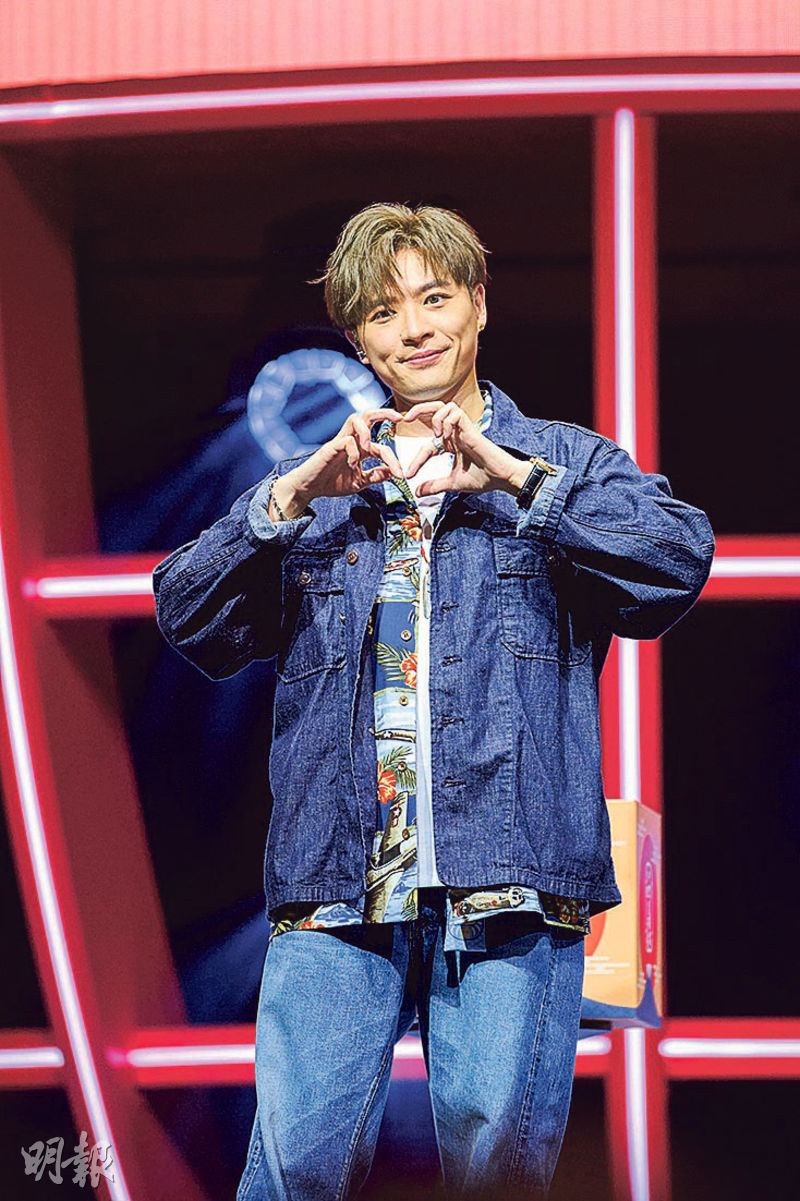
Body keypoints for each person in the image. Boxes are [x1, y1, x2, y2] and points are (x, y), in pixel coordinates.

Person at [153, 203, 715, 1201]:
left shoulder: (564, 460)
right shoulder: (322, 487)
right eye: (382, 312)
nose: (413, 328)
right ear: (356, 339)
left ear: (478, 306)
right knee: (289, 1172)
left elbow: (674, 563)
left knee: (498, 1178)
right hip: (338, 884)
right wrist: (286, 499)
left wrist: (518, 481)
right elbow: (185, 615)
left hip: (511, 883)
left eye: (434, 298)